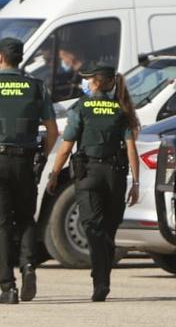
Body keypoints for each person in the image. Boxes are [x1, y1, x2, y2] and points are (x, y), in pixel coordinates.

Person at [0, 37, 59, 304]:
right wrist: (42, 156)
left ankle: (8, 287)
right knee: (26, 218)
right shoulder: (36, 88)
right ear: (20, 58)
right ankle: (29, 266)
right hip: (26, 161)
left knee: (3, 223)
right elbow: (53, 131)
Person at [46, 64, 141, 301]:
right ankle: (102, 278)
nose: (86, 84)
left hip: (89, 173)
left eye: (89, 80)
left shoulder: (81, 107)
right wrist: (136, 183)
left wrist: (54, 173)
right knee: (108, 229)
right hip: (115, 176)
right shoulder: (122, 108)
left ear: (97, 83)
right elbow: (131, 149)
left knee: (93, 227)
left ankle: (100, 279)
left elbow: (66, 147)